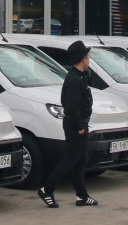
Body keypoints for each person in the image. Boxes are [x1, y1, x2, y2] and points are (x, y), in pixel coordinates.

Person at [37, 41, 99, 208]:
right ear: (83, 59)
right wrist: (80, 127)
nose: (89, 60)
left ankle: (81, 195)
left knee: (80, 161)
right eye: (87, 57)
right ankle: (47, 189)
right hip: (75, 125)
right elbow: (71, 107)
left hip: (79, 123)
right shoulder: (74, 79)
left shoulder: (79, 76)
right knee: (70, 160)